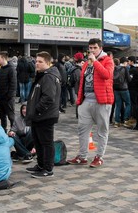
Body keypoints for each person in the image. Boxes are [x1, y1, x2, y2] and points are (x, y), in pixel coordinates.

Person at [68, 38, 114, 168]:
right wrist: (79, 100)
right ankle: (82, 156)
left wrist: (95, 62)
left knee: (102, 130)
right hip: (86, 100)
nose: (92, 50)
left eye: (94, 48)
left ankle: (99, 156)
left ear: (100, 48)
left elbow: (106, 75)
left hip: (102, 101)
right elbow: (83, 81)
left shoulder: (108, 60)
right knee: (82, 129)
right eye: (90, 48)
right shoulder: (86, 63)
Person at [24, 52, 61, 178]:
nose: (37, 64)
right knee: (38, 141)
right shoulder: (42, 76)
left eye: (40, 62)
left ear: (48, 63)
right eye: (36, 61)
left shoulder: (49, 77)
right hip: (39, 116)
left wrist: (37, 110)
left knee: (46, 142)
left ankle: (47, 168)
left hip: (45, 116)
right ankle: (40, 165)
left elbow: (49, 97)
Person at [0, 51, 17, 131]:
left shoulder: (11, 69)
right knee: (2, 116)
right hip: (0, 97)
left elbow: (13, 84)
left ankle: (14, 131)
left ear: (3, 58)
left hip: (8, 98)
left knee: (11, 116)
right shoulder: (0, 69)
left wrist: (9, 96)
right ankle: (3, 131)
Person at [112, 58, 131, 128]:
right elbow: (128, 79)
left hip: (116, 89)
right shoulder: (125, 68)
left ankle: (117, 122)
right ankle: (125, 120)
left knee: (118, 105)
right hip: (124, 88)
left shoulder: (114, 68)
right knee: (128, 104)